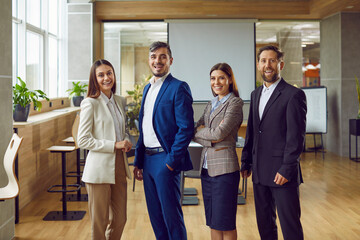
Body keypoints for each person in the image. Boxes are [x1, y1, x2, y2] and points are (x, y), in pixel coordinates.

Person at [241, 45, 307, 240]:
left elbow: (296, 137)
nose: (267, 65)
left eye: (272, 61)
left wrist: (287, 169)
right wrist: (245, 161)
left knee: (290, 226)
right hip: (260, 172)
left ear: (281, 64)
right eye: (263, 61)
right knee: (265, 225)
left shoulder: (293, 95)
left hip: (282, 174)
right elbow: (252, 132)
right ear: (258, 65)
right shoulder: (255, 94)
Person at [133, 41, 194, 240]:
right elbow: (144, 127)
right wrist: (138, 161)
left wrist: (171, 162)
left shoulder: (178, 87)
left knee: (171, 218)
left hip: (165, 159)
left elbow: (186, 128)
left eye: (162, 57)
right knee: (156, 218)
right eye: (153, 57)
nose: (157, 61)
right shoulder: (147, 89)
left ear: (170, 60)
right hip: (148, 161)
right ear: (149, 60)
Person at [78, 59, 133, 240]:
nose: (106, 78)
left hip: (119, 164)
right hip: (98, 169)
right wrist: (113, 145)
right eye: (100, 75)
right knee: (99, 222)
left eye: (109, 73)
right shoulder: (90, 103)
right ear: (94, 79)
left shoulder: (119, 100)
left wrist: (125, 140)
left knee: (120, 219)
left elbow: (119, 130)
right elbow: (83, 139)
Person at [193, 63, 243, 240]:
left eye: (221, 77)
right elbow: (195, 129)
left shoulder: (234, 103)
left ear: (229, 79)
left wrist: (205, 133)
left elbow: (220, 134)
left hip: (225, 171)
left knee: (226, 222)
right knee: (213, 221)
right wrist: (208, 134)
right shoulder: (211, 103)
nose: (217, 82)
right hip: (206, 169)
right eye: (213, 78)